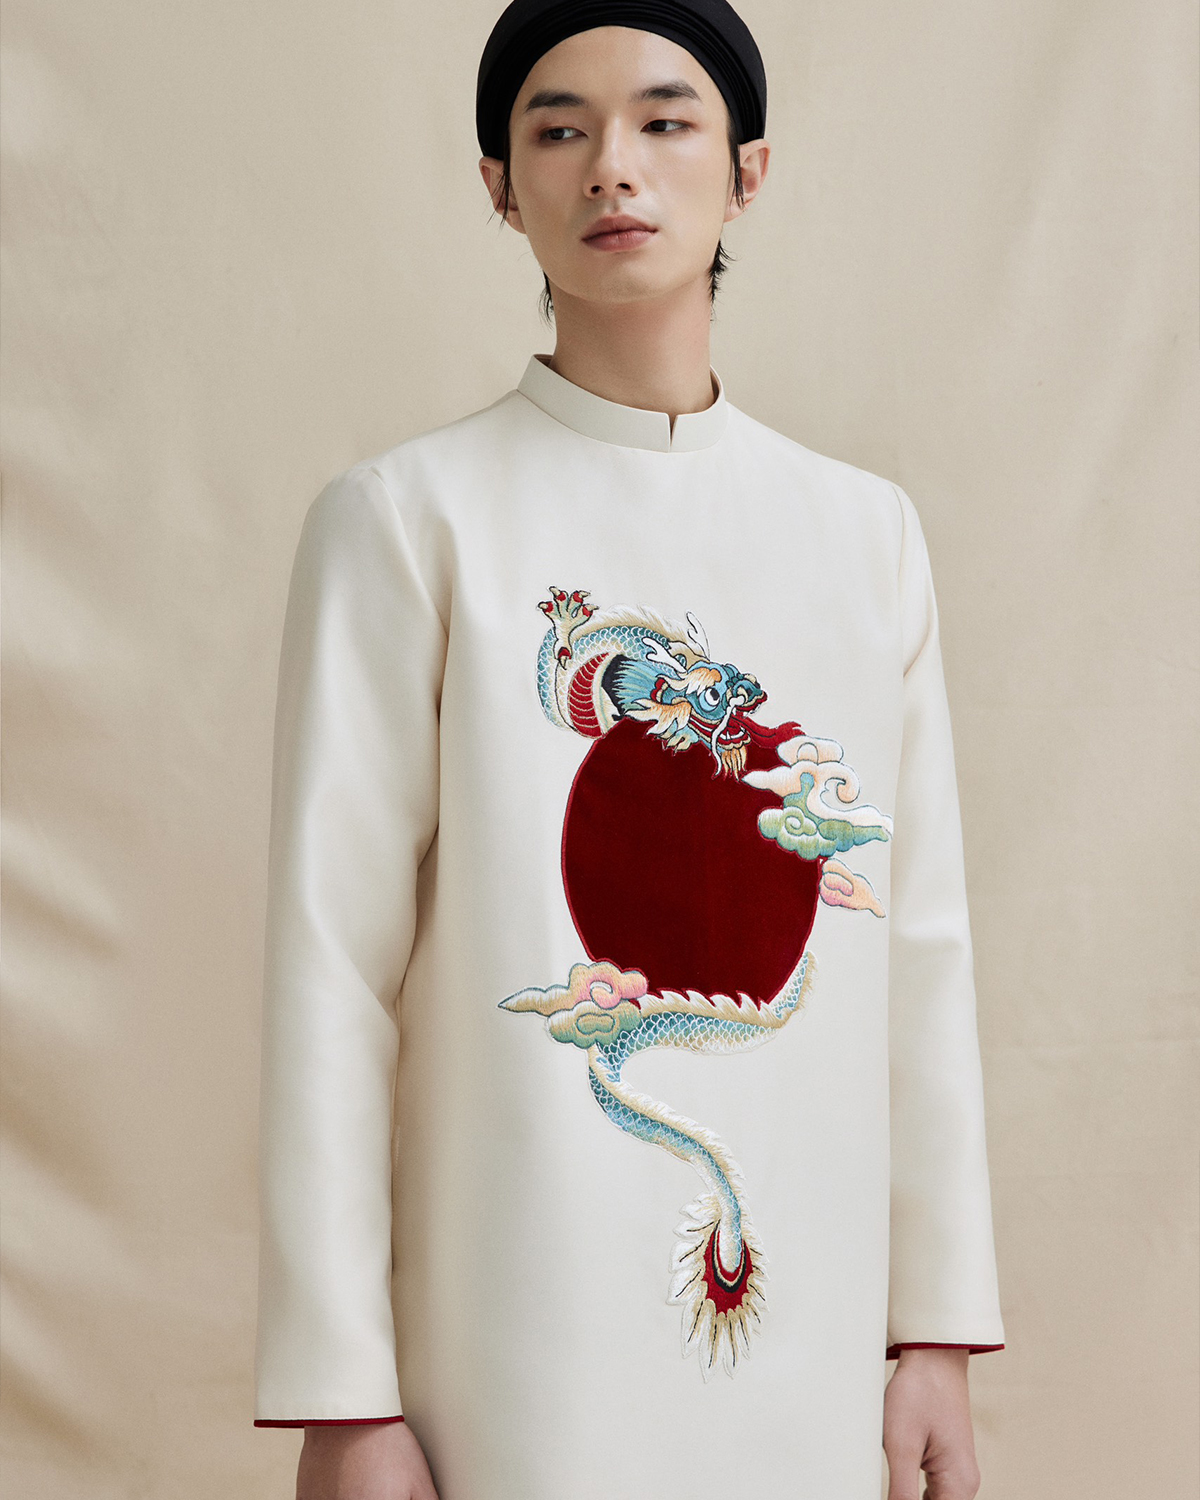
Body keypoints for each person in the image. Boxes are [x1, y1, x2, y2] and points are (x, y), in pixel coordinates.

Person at [252, 3, 1007, 1497]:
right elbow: (329, 974)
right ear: (499, 184)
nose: (614, 165)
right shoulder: (408, 521)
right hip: (511, 1328)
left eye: (665, 120)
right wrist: (345, 1396)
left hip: (818, 1334)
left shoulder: (865, 537)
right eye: (559, 128)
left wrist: (935, 1334)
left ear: (748, 170)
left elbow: (920, 949)